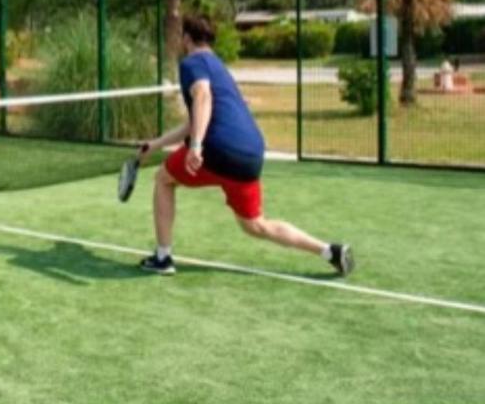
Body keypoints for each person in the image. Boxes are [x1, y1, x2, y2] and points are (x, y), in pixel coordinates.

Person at [135, 15, 353, 276]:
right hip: (251, 154)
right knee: (255, 225)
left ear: (186, 39)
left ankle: (163, 258)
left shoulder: (192, 63)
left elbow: (202, 97)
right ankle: (330, 251)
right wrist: (156, 144)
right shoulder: (218, 66)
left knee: (163, 179)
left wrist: (196, 146)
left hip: (218, 150)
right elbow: (194, 121)